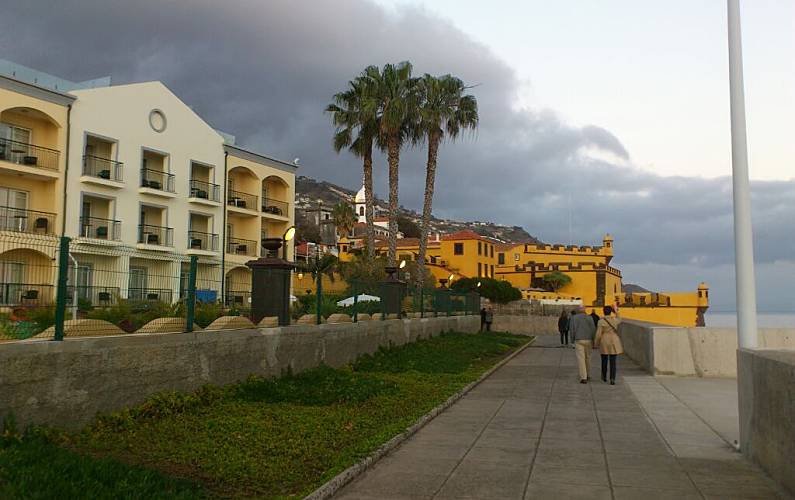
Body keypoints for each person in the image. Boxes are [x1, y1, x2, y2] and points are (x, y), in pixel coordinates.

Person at [594, 305, 623, 385]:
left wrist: (596, 343)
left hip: (604, 340)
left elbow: (598, 334)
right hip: (614, 340)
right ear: (610, 312)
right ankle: (612, 378)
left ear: (603, 312)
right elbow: (620, 319)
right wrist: (616, 311)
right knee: (613, 361)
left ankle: (604, 376)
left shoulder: (601, 321)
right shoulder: (614, 320)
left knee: (604, 360)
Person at [568, 307, 597, 383]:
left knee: (581, 359)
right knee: (588, 358)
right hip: (589, 340)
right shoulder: (590, 318)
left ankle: (583, 377)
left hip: (578, 340)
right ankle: (588, 374)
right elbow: (593, 329)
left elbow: (572, 330)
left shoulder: (574, 318)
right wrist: (594, 340)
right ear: (585, 311)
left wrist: (572, 340)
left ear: (578, 311)